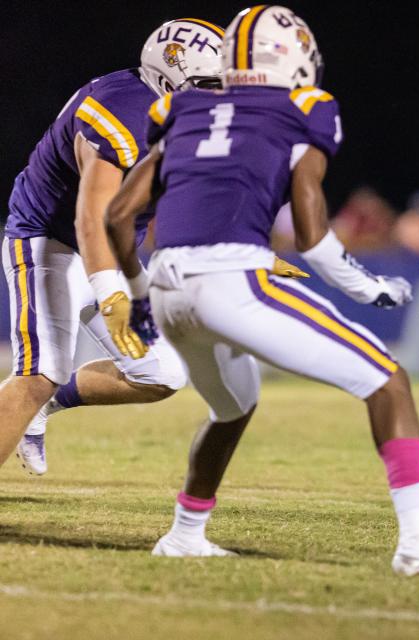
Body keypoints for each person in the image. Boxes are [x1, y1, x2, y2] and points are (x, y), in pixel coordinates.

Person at [104, 5, 419, 576]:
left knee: (233, 407)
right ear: (290, 57)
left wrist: (143, 296)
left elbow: (118, 216)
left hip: (170, 287)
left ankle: (184, 534)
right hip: (232, 278)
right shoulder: (304, 108)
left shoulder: (181, 107)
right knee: (388, 381)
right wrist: (369, 289)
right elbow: (314, 239)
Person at [0, 18, 227, 475]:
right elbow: (92, 218)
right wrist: (111, 293)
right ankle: (35, 398)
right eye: (209, 85)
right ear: (168, 78)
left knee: (161, 374)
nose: (220, 96)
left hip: (104, 252)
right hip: (50, 243)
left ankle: (43, 408)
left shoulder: (178, 116)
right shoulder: (121, 111)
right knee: (37, 375)